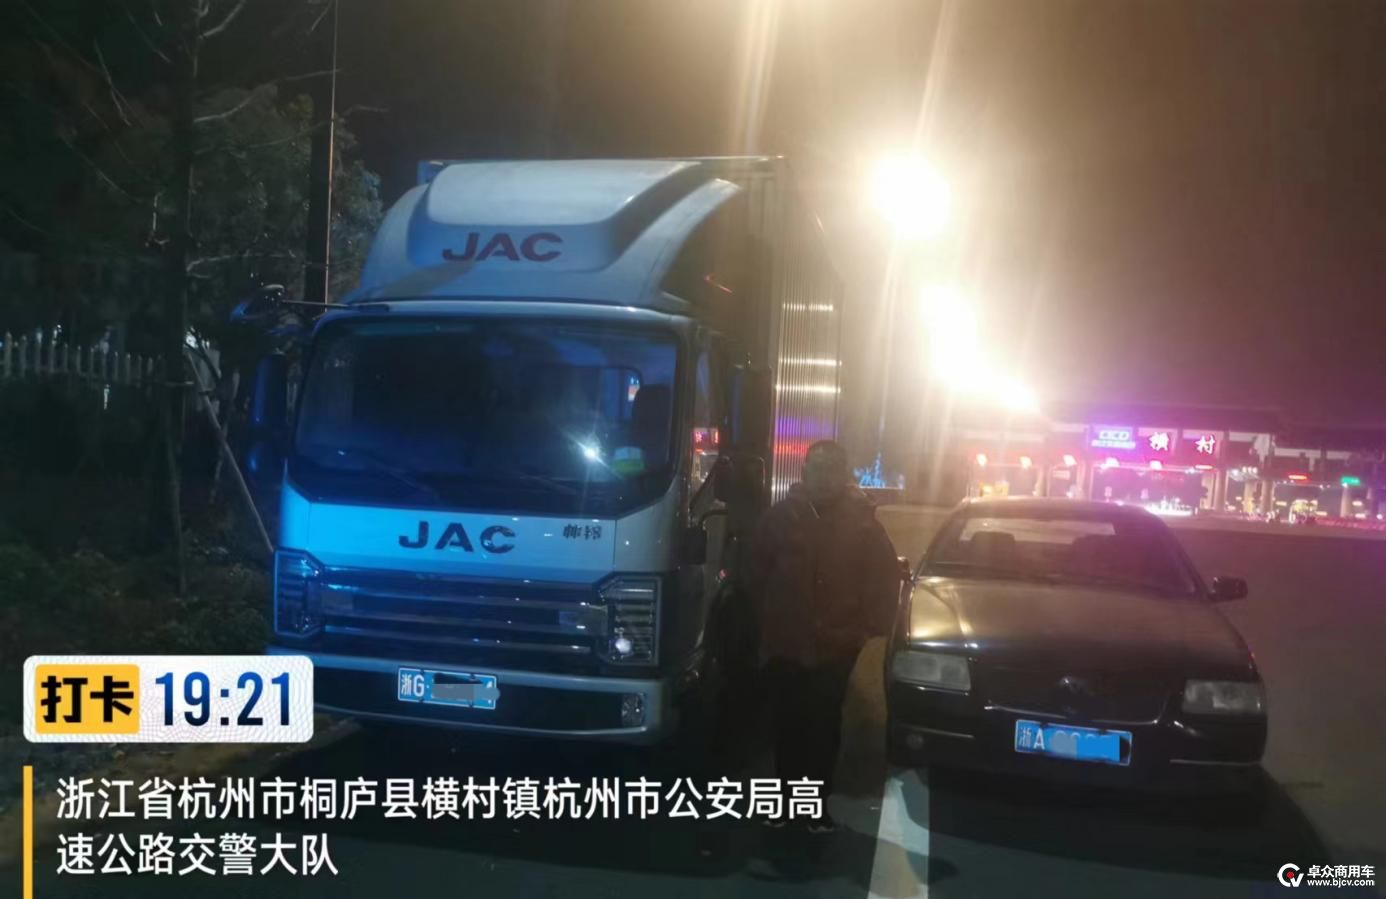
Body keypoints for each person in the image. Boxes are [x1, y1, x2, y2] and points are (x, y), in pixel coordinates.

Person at [748, 440, 902, 833]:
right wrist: (765, 625)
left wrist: (864, 632)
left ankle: (815, 810)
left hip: (835, 648)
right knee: (787, 727)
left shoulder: (864, 525)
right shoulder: (780, 519)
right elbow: (754, 576)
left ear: (844, 475)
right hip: (785, 645)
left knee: (824, 728)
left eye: (832, 469)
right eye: (816, 468)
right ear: (804, 472)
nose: (823, 477)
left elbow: (884, 584)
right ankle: (784, 806)